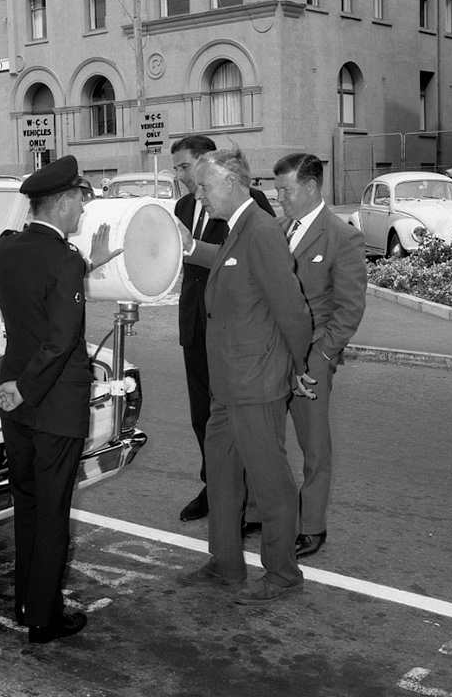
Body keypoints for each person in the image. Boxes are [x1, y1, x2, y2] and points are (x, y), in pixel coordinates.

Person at [0, 154, 120, 644]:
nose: (82, 212)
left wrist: (88, 262)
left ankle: (25, 601)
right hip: (53, 406)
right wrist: (27, 386)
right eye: (79, 203)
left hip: (14, 401)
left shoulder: (2, 251)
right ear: (63, 201)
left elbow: (38, 276)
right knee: (53, 512)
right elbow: (62, 339)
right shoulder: (64, 262)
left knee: (26, 505)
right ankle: (44, 618)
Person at [177, 149, 313, 604]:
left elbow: (291, 308)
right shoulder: (238, 230)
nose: (199, 196)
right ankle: (226, 563)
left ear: (233, 184)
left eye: (205, 186)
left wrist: (300, 368)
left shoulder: (261, 230)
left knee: (270, 481)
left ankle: (282, 573)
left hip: (255, 381)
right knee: (221, 474)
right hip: (227, 384)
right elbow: (225, 268)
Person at [171, 135, 275, 523]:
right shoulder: (182, 205)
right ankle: (214, 485)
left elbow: (242, 258)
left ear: (206, 163)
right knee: (203, 415)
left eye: (184, 167)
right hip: (194, 324)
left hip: (232, 329)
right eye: (177, 168)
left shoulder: (251, 204)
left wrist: (190, 247)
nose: (179, 175)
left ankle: (250, 498)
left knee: (238, 417)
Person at [273, 153, 367, 558]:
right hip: (270, 353)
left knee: (314, 446)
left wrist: (323, 356)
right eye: (277, 190)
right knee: (267, 438)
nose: (279, 198)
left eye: (285, 190)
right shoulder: (278, 229)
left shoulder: (340, 237)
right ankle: (267, 514)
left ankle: (312, 526)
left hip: (312, 358)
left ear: (310, 187)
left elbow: (349, 308)